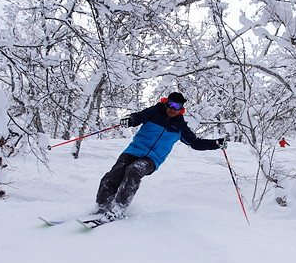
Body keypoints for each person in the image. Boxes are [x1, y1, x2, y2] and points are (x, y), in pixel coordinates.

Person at [93, 92, 227, 222]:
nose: (173, 109)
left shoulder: (180, 126)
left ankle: (118, 208)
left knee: (134, 170)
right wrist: (130, 119)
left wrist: (216, 144)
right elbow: (138, 117)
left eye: (177, 107)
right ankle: (102, 206)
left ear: (181, 109)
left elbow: (195, 143)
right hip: (133, 151)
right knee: (115, 174)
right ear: (166, 102)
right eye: (171, 105)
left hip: (152, 159)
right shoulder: (154, 112)